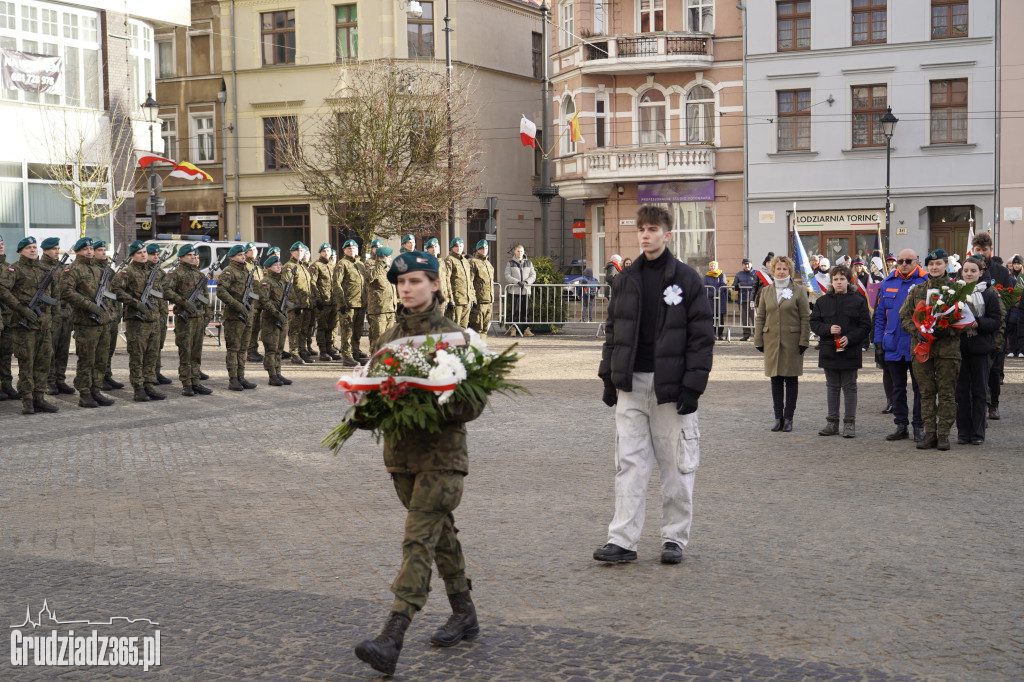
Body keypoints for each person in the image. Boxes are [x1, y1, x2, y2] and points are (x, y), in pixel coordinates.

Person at [354, 251, 484, 677]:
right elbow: (376, 392)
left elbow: (474, 402)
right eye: (402, 282)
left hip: (443, 459)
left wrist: (426, 397)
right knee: (439, 535)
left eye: (415, 281)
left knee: (418, 540)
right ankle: (464, 612)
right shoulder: (389, 337)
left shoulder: (454, 337)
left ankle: (393, 635)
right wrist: (362, 407)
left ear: (435, 285)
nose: (407, 288)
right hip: (401, 459)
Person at [594, 205, 714, 565]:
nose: (645, 235)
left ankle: (674, 538)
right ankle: (623, 541)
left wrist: (693, 386)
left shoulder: (687, 279)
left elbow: (701, 338)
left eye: (653, 229)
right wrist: (608, 377)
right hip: (631, 384)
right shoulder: (626, 278)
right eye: (642, 229)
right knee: (629, 464)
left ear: (667, 235)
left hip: (671, 388)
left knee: (676, 465)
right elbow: (613, 332)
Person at [900, 249, 964, 451]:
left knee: (946, 394)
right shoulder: (917, 290)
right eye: (931, 264)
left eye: (939, 264)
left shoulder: (957, 290)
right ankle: (929, 433)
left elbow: (966, 320)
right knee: (926, 393)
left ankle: (944, 434)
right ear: (927, 266)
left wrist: (949, 330)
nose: (935, 267)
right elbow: (905, 317)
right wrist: (916, 331)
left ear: (947, 265)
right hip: (922, 349)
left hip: (947, 351)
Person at [809, 264, 871, 438]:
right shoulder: (822, 301)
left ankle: (849, 423)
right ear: (831, 281)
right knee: (832, 387)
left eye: (842, 279)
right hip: (829, 350)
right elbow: (814, 323)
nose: (838, 282)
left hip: (850, 350)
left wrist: (850, 338)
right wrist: (828, 329)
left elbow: (865, 326)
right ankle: (832, 423)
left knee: (850, 387)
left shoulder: (858, 300)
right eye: (835, 279)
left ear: (848, 280)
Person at [0, 236, 60, 413]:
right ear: (20, 251)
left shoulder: (45, 269)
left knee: (44, 362)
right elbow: (2, 290)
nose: (32, 250)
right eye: (28, 248)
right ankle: (27, 400)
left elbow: (54, 297)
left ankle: (39, 397)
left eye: (34, 247)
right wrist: (21, 308)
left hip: (44, 325)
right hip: (23, 325)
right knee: (27, 362)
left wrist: (54, 319)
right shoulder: (14, 269)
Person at [875, 248, 927, 442]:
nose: (904, 264)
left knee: (920, 387)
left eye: (908, 261)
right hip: (893, 344)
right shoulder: (888, 282)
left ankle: (919, 426)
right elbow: (880, 316)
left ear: (916, 262)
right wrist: (878, 343)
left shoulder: (925, 282)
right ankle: (901, 425)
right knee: (897, 388)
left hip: (916, 343)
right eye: (900, 261)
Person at [754, 255, 810, 432]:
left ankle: (789, 418)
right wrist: (758, 339)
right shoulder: (766, 291)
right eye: (778, 269)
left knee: (791, 380)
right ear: (773, 270)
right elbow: (761, 316)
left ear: (790, 271)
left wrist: (804, 340)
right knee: (775, 380)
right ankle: (778, 418)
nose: (781, 271)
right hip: (771, 341)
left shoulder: (799, 290)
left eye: (784, 269)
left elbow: (804, 317)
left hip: (792, 342)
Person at [59, 237, 116, 408]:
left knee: (101, 359)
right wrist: (89, 305)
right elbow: (66, 292)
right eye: (85, 249)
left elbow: (108, 293)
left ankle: (96, 390)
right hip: (86, 323)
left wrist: (110, 313)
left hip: (103, 322)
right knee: (87, 359)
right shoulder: (72, 270)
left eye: (91, 249)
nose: (89, 252)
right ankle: (85, 393)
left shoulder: (98, 269)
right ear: (78, 251)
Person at [955, 256, 1001, 445]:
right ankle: (963, 433)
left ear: (980, 273)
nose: (969, 273)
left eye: (973, 271)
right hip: (959, 348)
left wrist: (978, 323)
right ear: (961, 272)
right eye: (966, 270)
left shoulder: (989, 294)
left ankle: (978, 433)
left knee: (980, 392)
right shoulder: (954, 291)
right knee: (961, 392)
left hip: (981, 348)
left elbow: (996, 321)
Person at [112, 241, 165, 403]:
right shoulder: (127, 272)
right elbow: (115, 290)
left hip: (153, 319)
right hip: (137, 321)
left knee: (151, 355)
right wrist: (135, 303)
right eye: (140, 253)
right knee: (137, 356)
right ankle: (139, 388)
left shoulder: (152, 271)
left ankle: (149, 384)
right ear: (132, 256)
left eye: (144, 252)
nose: (143, 255)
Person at [971, 232, 1012, 420]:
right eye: (977, 249)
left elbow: (1010, 301)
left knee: (995, 370)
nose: (981, 253)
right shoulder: (966, 269)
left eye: (984, 250)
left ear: (990, 250)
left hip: (996, 328)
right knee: (975, 370)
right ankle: (976, 404)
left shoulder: (1001, 272)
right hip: (973, 328)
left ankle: (993, 405)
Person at [163, 244, 213, 396]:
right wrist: (183, 302)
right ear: (181, 257)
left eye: (194, 255)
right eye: (190, 255)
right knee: (186, 352)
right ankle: (187, 383)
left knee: (196, 353)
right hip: (185, 319)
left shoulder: (199, 275)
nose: (193, 257)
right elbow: (166, 290)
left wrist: (206, 316)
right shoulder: (176, 273)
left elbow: (205, 298)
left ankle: (196, 381)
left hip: (198, 318)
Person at [216, 244, 258, 392]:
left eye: (243, 255)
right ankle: (233, 379)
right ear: (232, 257)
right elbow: (221, 291)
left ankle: (241, 376)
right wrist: (236, 304)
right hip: (234, 316)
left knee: (243, 349)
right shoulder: (228, 272)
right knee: (233, 348)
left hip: (247, 314)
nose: (243, 257)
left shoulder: (246, 271)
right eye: (240, 255)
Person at [37, 237, 75, 396]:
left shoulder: (63, 268)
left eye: (57, 248)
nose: (56, 251)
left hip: (65, 314)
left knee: (63, 350)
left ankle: (60, 380)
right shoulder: (40, 268)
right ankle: (49, 381)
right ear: (45, 250)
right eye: (53, 249)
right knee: (49, 351)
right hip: (51, 315)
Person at [91, 242, 125, 391]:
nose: (103, 253)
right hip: (100, 315)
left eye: (104, 250)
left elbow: (115, 292)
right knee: (98, 352)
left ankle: (107, 375)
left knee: (109, 349)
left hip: (112, 314)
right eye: (100, 250)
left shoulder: (109, 270)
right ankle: (98, 379)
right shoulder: (92, 270)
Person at [256, 254, 292, 387]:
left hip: (282, 318)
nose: (279, 267)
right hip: (271, 319)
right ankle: (272, 375)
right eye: (276, 265)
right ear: (269, 267)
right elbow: (264, 301)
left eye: (279, 264)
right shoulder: (266, 282)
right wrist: (277, 314)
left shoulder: (281, 281)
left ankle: (278, 372)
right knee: (271, 348)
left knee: (279, 348)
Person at [142, 243, 174, 386]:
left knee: (158, 345)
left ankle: (156, 371)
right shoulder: (144, 271)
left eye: (157, 255)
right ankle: (147, 374)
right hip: (148, 313)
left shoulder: (160, 272)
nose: (156, 257)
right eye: (152, 254)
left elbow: (166, 291)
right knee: (147, 346)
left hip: (161, 312)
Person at [283, 242, 315, 365]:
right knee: (294, 330)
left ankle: (303, 351)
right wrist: (295, 303)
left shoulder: (304, 267)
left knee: (304, 330)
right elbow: (288, 286)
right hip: (296, 305)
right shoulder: (289, 266)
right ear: (292, 252)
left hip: (307, 304)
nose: (300, 253)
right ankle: (294, 353)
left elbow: (310, 286)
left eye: (302, 251)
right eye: (297, 251)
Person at [336, 239, 364, 367]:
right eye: (348, 248)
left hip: (360, 303)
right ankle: (347, 356)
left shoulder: (360, 264)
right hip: (348, 304)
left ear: (357, 250)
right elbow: (336, 284)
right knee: (347, 331)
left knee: (357, 331)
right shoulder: (342, 264)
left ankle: (355, 353)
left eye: (353, 248)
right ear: (344, 250)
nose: (351, 250)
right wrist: (342, 303)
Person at [366, 246, 397, 350]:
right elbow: (368, 279)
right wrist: (379, 264)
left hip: (390, 310)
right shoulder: (373, 269)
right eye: (388, 257)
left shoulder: (388, 270)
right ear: (381, 258)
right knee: (378, 339)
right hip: (378, 311)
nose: (391, 259)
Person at [311, 243, 337, 362]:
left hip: (333, 301)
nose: (327, 253)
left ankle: (329, 347)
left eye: (328, 250)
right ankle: (323, 351)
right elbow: (312, 283)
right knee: (322, 327)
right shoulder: (316, 265)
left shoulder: (333, 265)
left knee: (331, 327)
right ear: (320, 253)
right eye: (324, 251)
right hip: (323, 302)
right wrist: (318, 299)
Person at [0, 233, 18, 401]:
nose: (1, 246)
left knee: (6, 353)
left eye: (2, 243)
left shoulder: (9, 267)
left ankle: (6, 385)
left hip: (8, 317)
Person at [505, 244, 535, 336]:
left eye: (521, 251)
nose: (520, 253)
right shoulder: (510, 263)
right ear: (514, 252)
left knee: (525, 311)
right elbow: (507, 275)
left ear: (524, 252)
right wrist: (517, 282)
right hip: (515, 291)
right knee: (515, 311)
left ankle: (526, 329)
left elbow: (533, 275)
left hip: (526, 291)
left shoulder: (529, 263)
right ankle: (513, 329)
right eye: (518, 251)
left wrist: (526, 282)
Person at [445, 237, 475, 328]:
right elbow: (447, 280)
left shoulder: (465, 261)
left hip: (466, 299)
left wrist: (472, 297)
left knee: (464, 326)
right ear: (452, 247)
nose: (459, 248)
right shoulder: (449, 260)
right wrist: (450, 299)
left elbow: (470, 281)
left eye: (461, 246)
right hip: (456, 299)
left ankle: (461, 342)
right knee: (454, 326)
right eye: (456, 246)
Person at [468, 239, 495, 334]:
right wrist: (473, 298)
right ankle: (475, 347)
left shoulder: (488, 264)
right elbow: (470, 281)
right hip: (479, 301)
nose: (484, 250)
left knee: (485, 329)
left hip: (489, 300)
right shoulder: (473, 263)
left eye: (486, 248)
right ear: (477, 250)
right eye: (482, 248)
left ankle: (482, 347)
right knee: (477, 329)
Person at [245, 243, 265, 363]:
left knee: (256, 328)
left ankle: (254, 350)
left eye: (254, 250)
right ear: (246, 253)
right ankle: (250, 351)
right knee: (250, 328)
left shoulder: (257, 267)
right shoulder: (245, 265)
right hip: (250, 302)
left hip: (258, 303)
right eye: (250, 250)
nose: (253, 252)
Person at [424, 238, 452, 314]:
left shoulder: (442, 262)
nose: (434, 249)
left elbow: (447, 281)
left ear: (439, 249)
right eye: (431, 247)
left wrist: (450, 299)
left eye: (436, 247)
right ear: (427, 250)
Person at [703, 260, 727, 341]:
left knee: (720, 318)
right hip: (710, 299)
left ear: (717, 266)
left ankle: (720, 334)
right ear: (709, 267)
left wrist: (717, 292)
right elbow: (705, 286)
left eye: (714, 266)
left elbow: (723, 285)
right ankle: (712, 334)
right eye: (711, 266)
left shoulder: (721, 274)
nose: (713, 267)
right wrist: (712, 294)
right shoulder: (706, 276)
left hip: (720, 299)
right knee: (712, 318)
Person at [732, 258, 756, 341]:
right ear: (742, 265)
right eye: (745, 264)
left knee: (755, 318)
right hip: (742, 300)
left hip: (753, 300)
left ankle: (757, 335)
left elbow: (760, 285)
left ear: (751, 264)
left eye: (748, 264)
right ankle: (746, 335)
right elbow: (733, 286)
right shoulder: (739, 274)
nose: (747, 265)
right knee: (744, 318)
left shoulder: (756, 273)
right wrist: (736, 286)